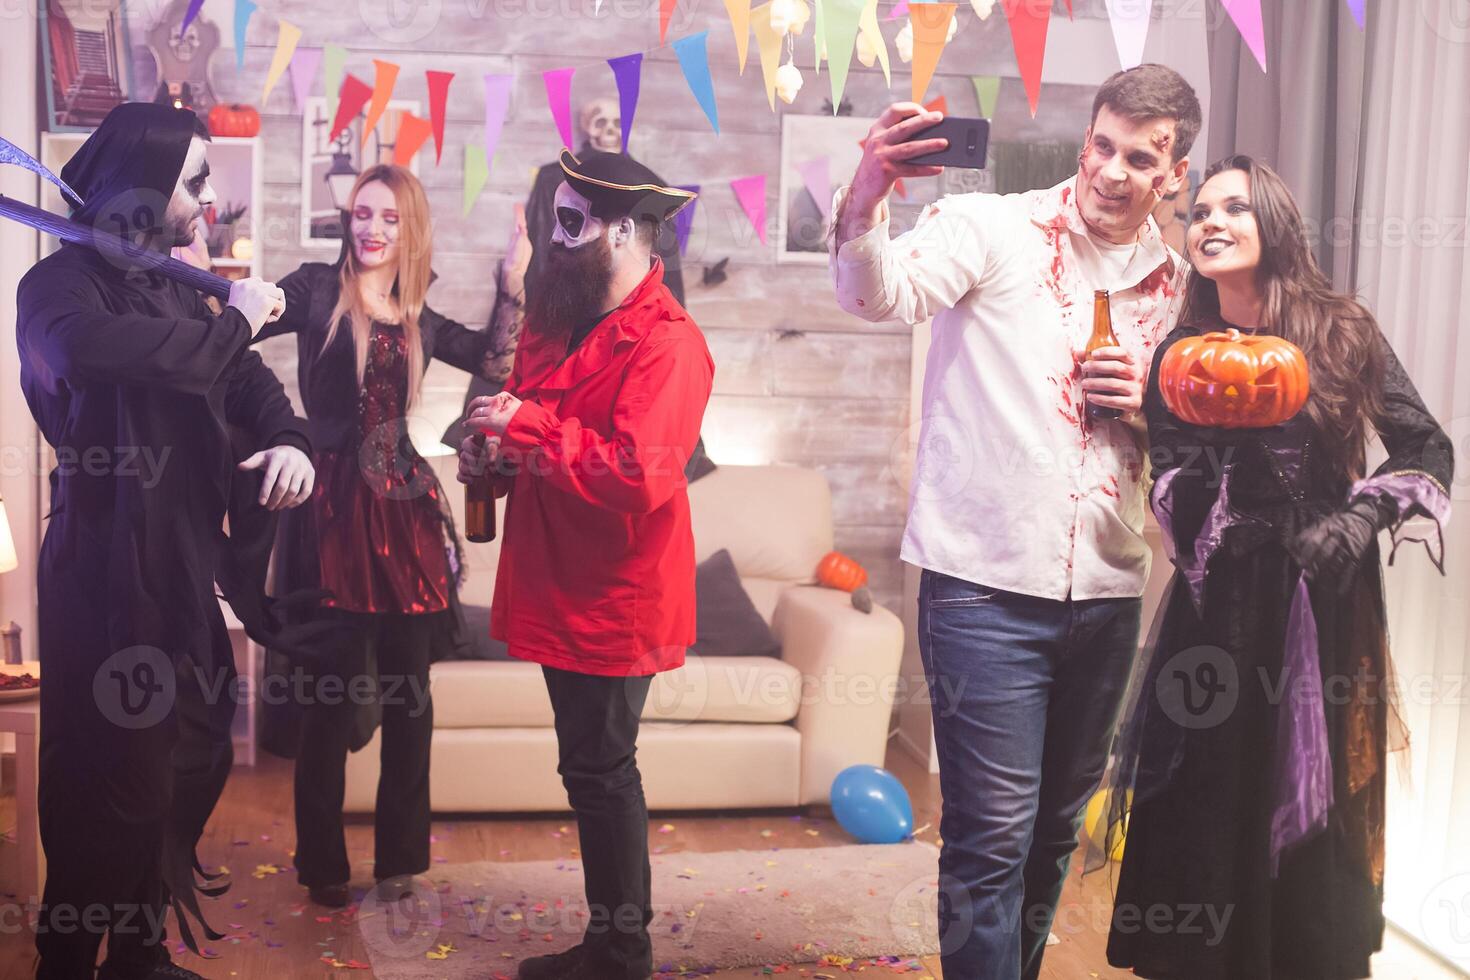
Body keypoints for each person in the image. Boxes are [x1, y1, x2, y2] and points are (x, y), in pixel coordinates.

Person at [829, 64, 1202, 979]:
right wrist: (867, 193)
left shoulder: (1182, 291)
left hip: (1110, 596)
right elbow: (876, 294)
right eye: (1104, 145)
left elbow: (1196, 460)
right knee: (990, 841)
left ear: (1174, 176)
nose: (1113, 172)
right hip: (982, 592)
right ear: (1087, 139)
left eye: (1141, 158)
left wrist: (1148, 417)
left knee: (1053, 841)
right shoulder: (991, 229)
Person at [1096, 156, 1453, 980]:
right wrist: (1220, 510)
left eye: (1236, 209)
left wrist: (1363, 516)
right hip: (1216, 606)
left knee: (1309, 798)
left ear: (1276, 228)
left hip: (1323, 604)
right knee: (1207, 798)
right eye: (1202, 212)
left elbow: (1428, 444)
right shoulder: (1179, 355)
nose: (1211, 222)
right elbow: (1173, 482)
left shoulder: (1341, 332)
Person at [16, 102, 315, 980]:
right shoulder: (56, 288)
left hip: (183, 561)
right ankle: (68, 961)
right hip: (104, 572)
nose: (210, 197)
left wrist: (290, 442)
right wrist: (232, 321)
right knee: (107, 777)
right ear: (144, 188)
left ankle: (139, 954)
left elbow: (254, 385)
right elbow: (89, 355)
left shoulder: (181, 283)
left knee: (192, 748)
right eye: (196, 179)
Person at [458, 149, 712, 980]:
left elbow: (640, 473)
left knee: (603, 770)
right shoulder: (554, 319)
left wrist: (523, 427)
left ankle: (621, 953)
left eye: (572, 225)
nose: (554, 241)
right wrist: (492, 455)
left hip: (617, 594)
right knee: (587, 768)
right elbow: (541, 435)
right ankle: (611, 944)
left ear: (631, 233)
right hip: (555, 578)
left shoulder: (672, 345)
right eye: (551, 220)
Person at [255, 164, 507, 909]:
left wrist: (513, 284)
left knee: (411, 697)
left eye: (390, 218)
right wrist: (278, 433)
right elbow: (237, 326)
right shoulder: (310, 289)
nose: (372, 228)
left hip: (402, 510)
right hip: (330, 512)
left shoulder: (416, 313)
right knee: (329, 695)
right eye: (363, 213)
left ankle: (400, 861)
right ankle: (324, 866)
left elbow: (496, 358)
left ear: (410, 229)